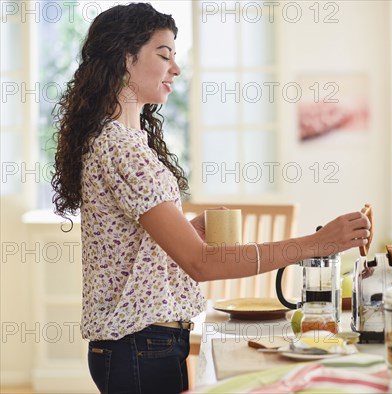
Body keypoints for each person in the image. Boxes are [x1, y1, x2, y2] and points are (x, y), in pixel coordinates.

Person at [51, 3, 371, 393]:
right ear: (125, 59)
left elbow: (135, 247)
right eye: (164, 54)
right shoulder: (122, 148)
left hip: (139, 346)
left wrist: (186, 230)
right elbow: (201, 264)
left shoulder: (119, 140)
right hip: (139, 347)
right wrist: (316, 244)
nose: (176, 69)